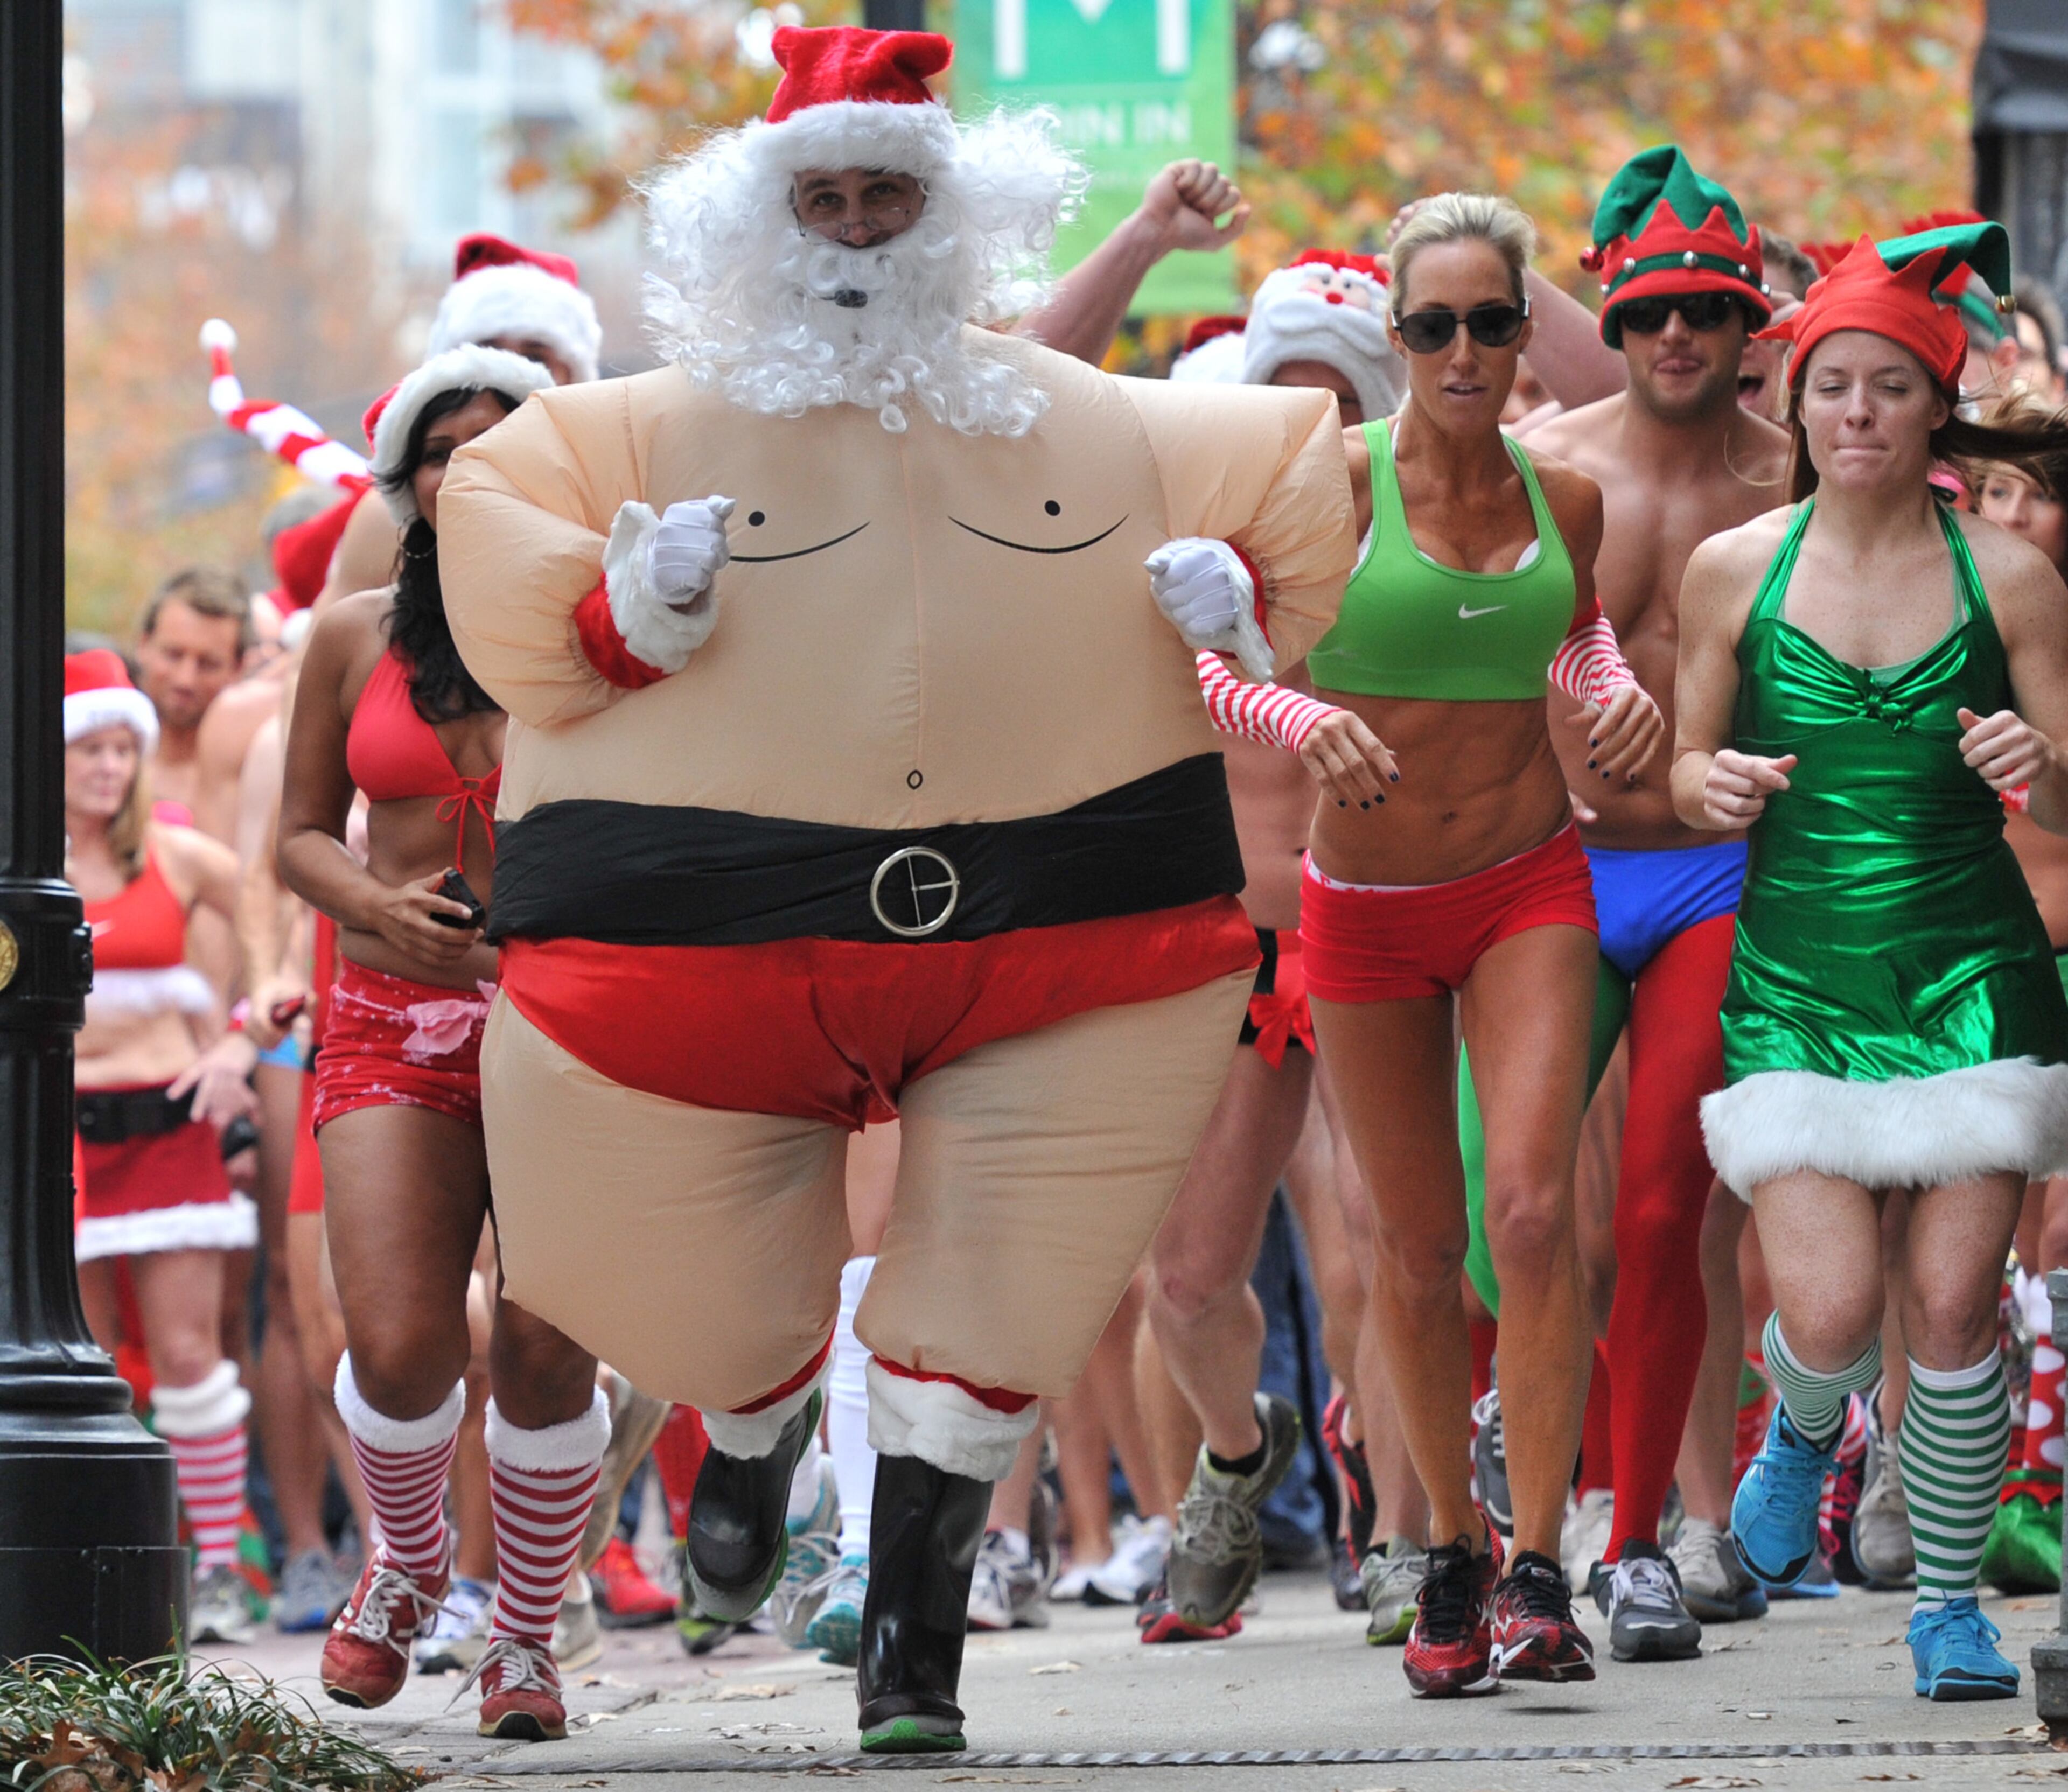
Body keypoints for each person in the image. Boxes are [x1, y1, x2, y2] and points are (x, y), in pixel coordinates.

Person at [436, 24, 1352, 1755]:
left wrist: (1238, 594)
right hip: (698, 953)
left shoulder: (1083, 423)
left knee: (995, 1292)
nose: (857, 228)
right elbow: (498, 528)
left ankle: (910, 1645)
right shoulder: (622, 437)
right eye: (828, 197)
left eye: (888, 195)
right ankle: (752, 1419)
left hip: (1061, 946)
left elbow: (1298, 487)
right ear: (766, 223)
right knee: (707, 1284)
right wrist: (626, 608)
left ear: (949, 214)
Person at [1674, 220, 2068, 1702]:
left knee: (1959, 1309)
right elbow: (1683, 770)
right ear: (1797, 404)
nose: (1857, 412)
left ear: (1933, 409)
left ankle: (1950, 1609)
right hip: (1802, 982)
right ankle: (1798, 1431)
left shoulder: (2012, 580)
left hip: (1972, 973)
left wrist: (2042, 765)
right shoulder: (1732, 571)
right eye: (1833, 385)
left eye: (1890, 388)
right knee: (1831, 1313)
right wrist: (1702, 790)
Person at [1295, 190, 1661, 1699]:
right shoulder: (1329, 480)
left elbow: (1570, 637)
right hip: (1367, 912)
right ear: (1395, 339)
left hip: (1525, 882)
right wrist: (1298, 715)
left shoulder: (1567, 498)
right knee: (1418, 1249)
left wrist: (1614, 683)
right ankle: (1447, 1538)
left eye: (1492, 322)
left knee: (1535, 1217)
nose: (1464, 350)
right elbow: (1214, 651)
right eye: (1434, 325)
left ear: (1525, 333)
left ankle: (1539, 1565)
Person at [1457, 147, 1786, 1660]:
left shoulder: (1797, 475)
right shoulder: (1539, 465)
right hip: (1551, 869)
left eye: (1710, 310)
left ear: (1748, 321)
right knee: (1509, 1217)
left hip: (1722, 875)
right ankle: (1506, 1458)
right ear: (1613, 308)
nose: (1678, 337)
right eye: (1651, 308)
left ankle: (1641, 1537)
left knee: (1666, 1209)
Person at [278, 343, 609, 1743]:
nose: (469, 470)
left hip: (575, 1017)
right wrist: (371, 904)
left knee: (546, 1345)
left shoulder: (609, 626)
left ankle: (525, 1639)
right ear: (406, 479)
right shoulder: (350, 632)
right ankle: (408, 1568)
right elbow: (294, 835)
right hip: (386, 1013)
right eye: (441, 450)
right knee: (404, 1339)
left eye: (499, 445)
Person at [1130, 248, 1409, 1643]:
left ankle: (1400, 1533)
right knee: (1183, 1278)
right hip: (1221, 955)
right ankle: (1241, 1458)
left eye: (1337, 399)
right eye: (1281, 397)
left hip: (1374, 936)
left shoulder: (1424, 550)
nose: (1307, 427)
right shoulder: (1181, 563)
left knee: (1375, 1249)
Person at [65, 649, 263, 1644]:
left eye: (120, 748)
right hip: (59, 1140)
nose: (108, 767)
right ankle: (91, 1571)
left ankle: (220, 1571)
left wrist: (243, 1031)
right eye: (88, 748)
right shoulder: (25, 867)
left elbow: (270, 907)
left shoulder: (176, 856)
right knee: (84, 1366)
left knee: (190, 1351)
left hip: (168, 1117)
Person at [1969, 390, 2068, 1592]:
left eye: (2040, 490)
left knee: (2059, 1228)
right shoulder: (1953, 625)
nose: (2014, 514)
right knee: (1987, 1248)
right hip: (1982, 971)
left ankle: (2039, 1486)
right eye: (1996, 490)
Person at [132, 568, 251, 825]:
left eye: (208, 664)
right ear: (143, 646)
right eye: (173, 654)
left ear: (239, 668)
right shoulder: (97, 759)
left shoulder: (252, 778)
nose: (186, 679)